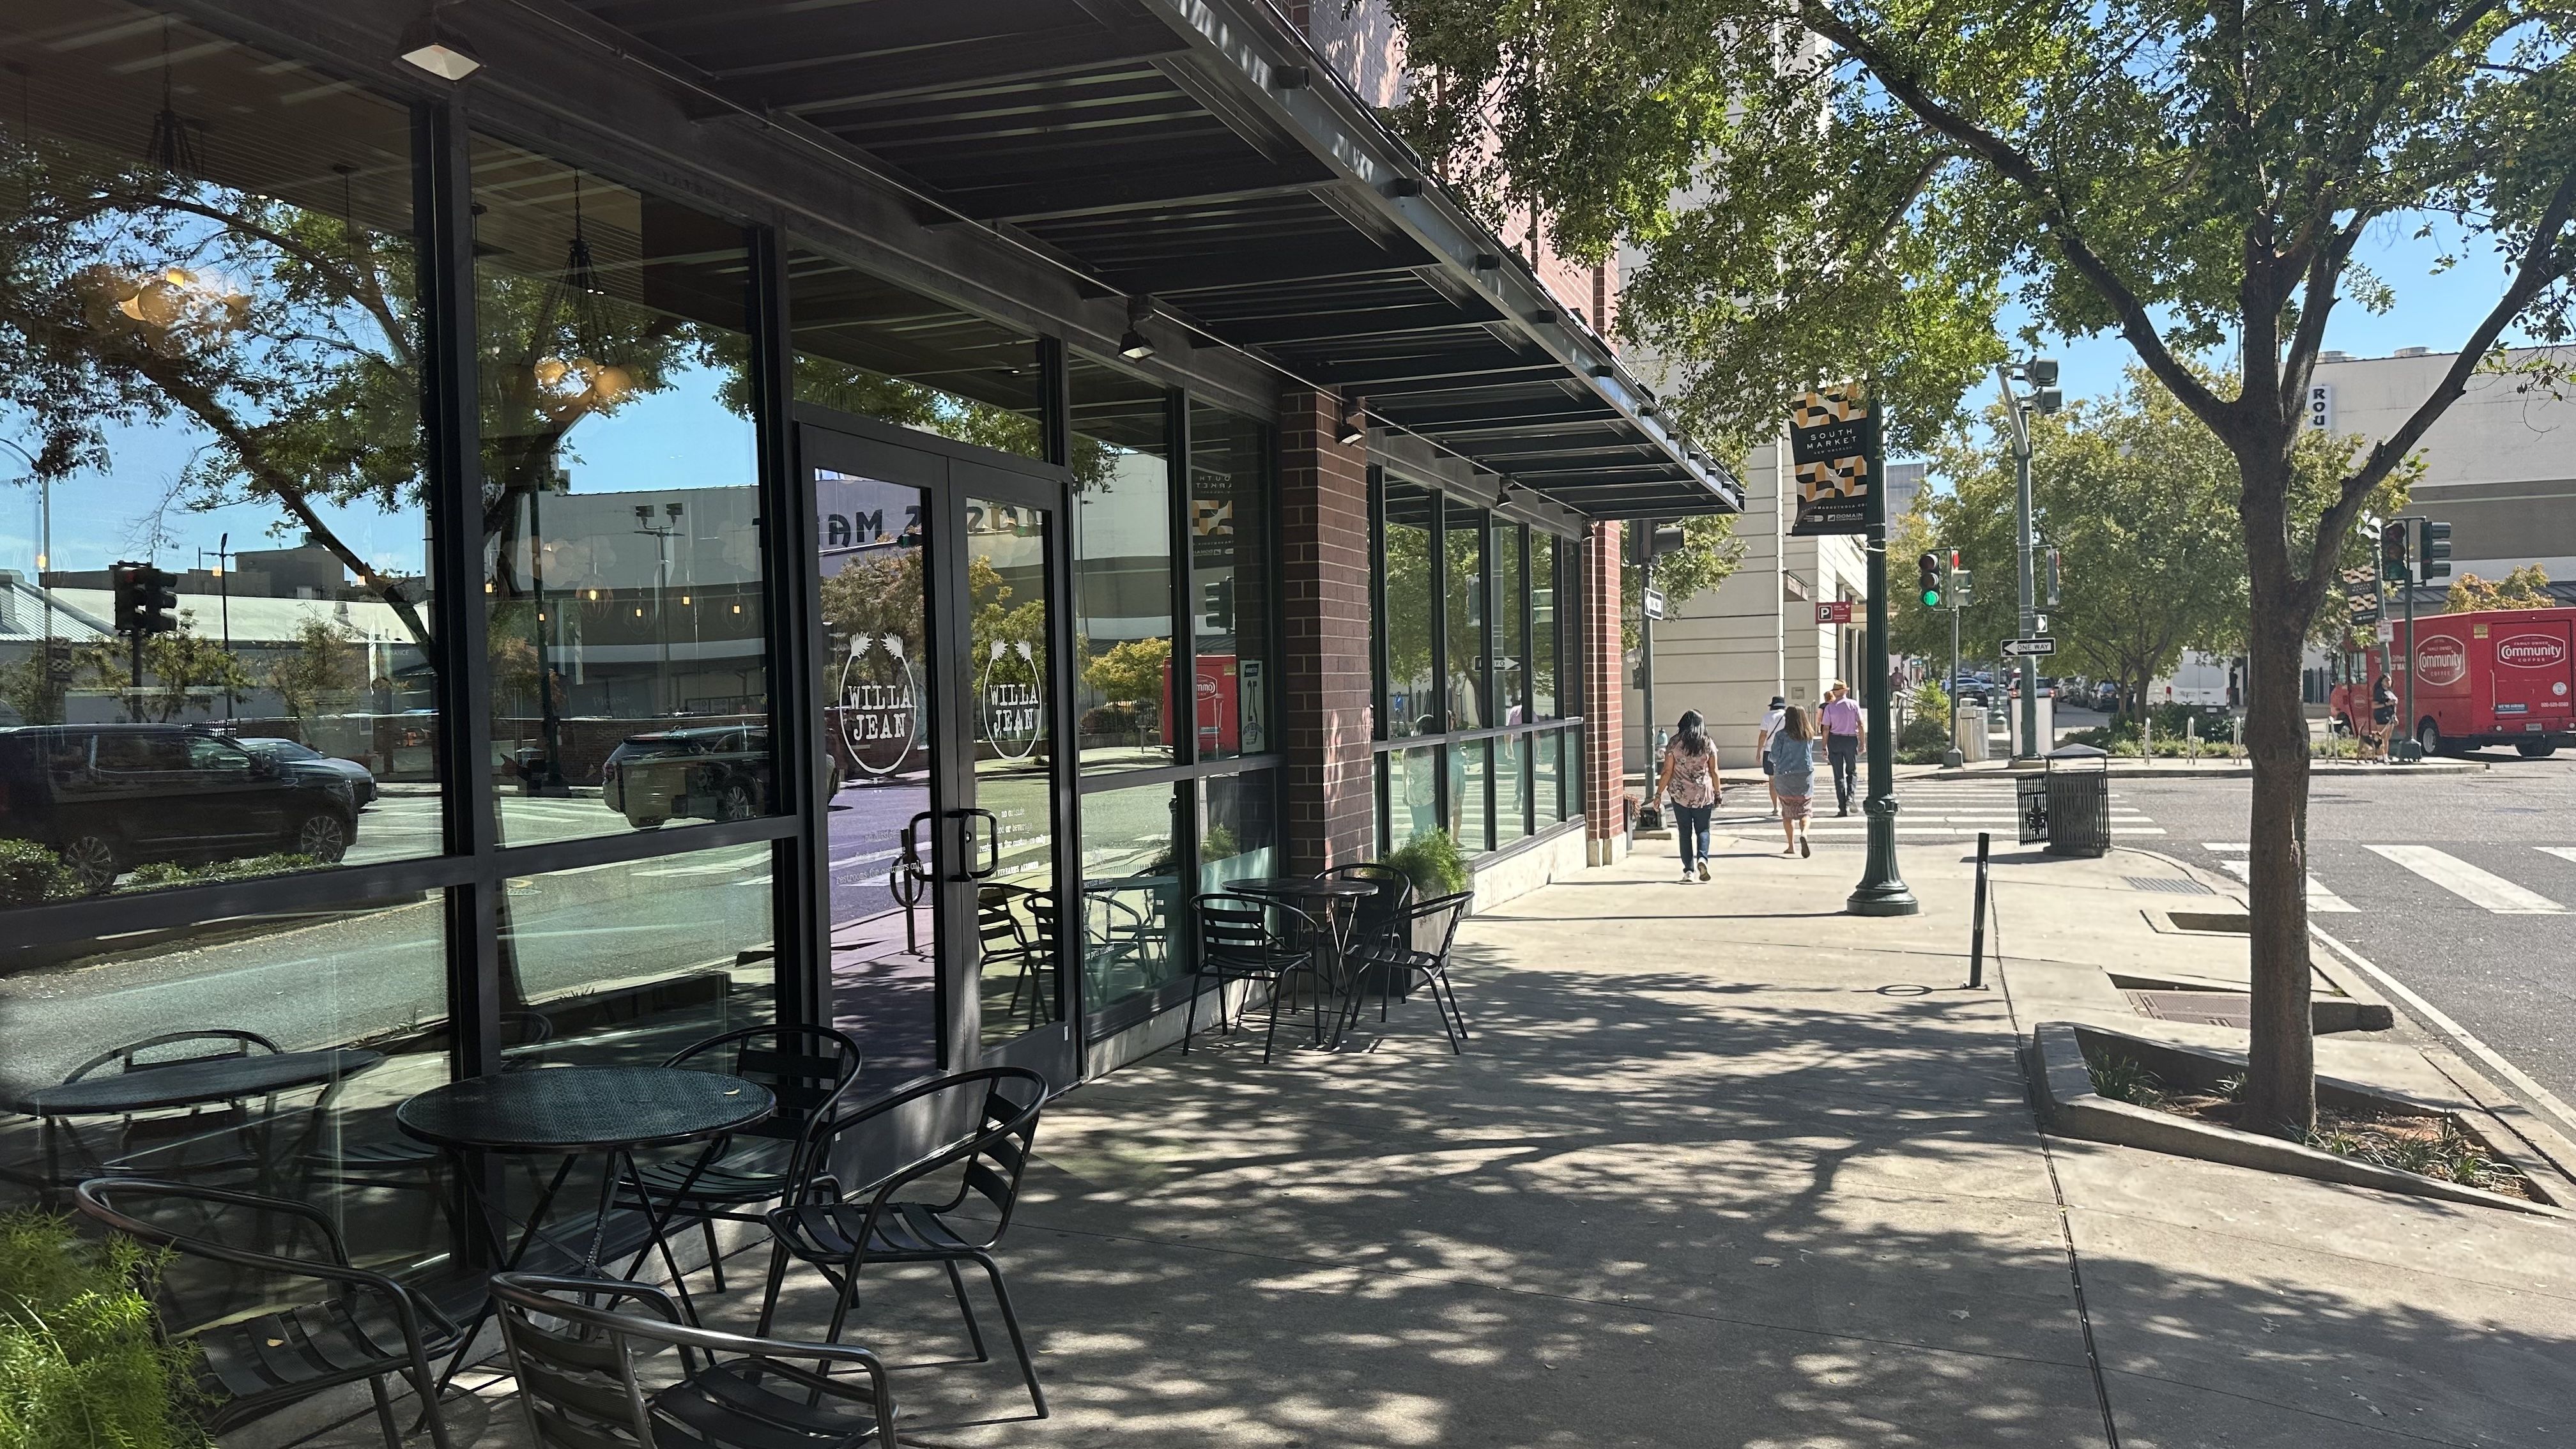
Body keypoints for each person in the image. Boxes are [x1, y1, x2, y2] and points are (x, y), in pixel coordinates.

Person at [1657, 709, 1722, 882]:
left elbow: (1667, 772)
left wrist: (1658, 794)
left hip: (1680, 795)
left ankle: (1689, 871)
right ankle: (1702, 859)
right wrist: (1718, 793)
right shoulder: (1707, 743)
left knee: (1685, 833)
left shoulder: (1674, 744)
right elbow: (1714, 771)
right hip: (1704, 794)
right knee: (1703, 830)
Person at [1770, 705, 1816, 857]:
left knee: (1787, 811)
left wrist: (1771, 760)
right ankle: (1804, 834)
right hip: (1805, 775)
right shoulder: (1809, 734)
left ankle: (1791, 846)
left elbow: (1775, 756)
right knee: (1805, 809)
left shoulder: (1781, 735)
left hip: (1785, 775)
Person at [1819, 680, 1864, 815]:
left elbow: (1826, 729)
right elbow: (1861, 725)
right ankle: (1850, 796)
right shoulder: (1853, 704)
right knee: (1852, 771)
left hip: (1835, 740)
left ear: (1835, 693)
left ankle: (1842, 808)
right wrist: (1863, 743)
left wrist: (1824, 747)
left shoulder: (1830, 708)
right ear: (1845, 691)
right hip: (1850, 739)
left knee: (1838, 775)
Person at [1755, 694, 1788, 817]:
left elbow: (1763, 735)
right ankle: (1785, 806)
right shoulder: (1787, 717)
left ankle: (1776, 808)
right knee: (1784, 780)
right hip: (1784, 751)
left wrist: (1759, 752)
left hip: (1769, 751)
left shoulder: (1767, 716)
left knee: (1772, 781)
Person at [2370, 671, 2398, 760]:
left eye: (2390, 680)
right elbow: (2374, 705)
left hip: (2390, 716)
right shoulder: (2379, 692)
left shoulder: (2390, 692)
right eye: (2386, 680)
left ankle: (2385, 755)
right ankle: (2379, 756)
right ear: (2382, 681)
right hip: (2381, 715)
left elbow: (2394, 705)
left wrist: (2395, 716)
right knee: (2381, 736)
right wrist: (2386, 704)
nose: (2388, 682)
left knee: (2387, 737)